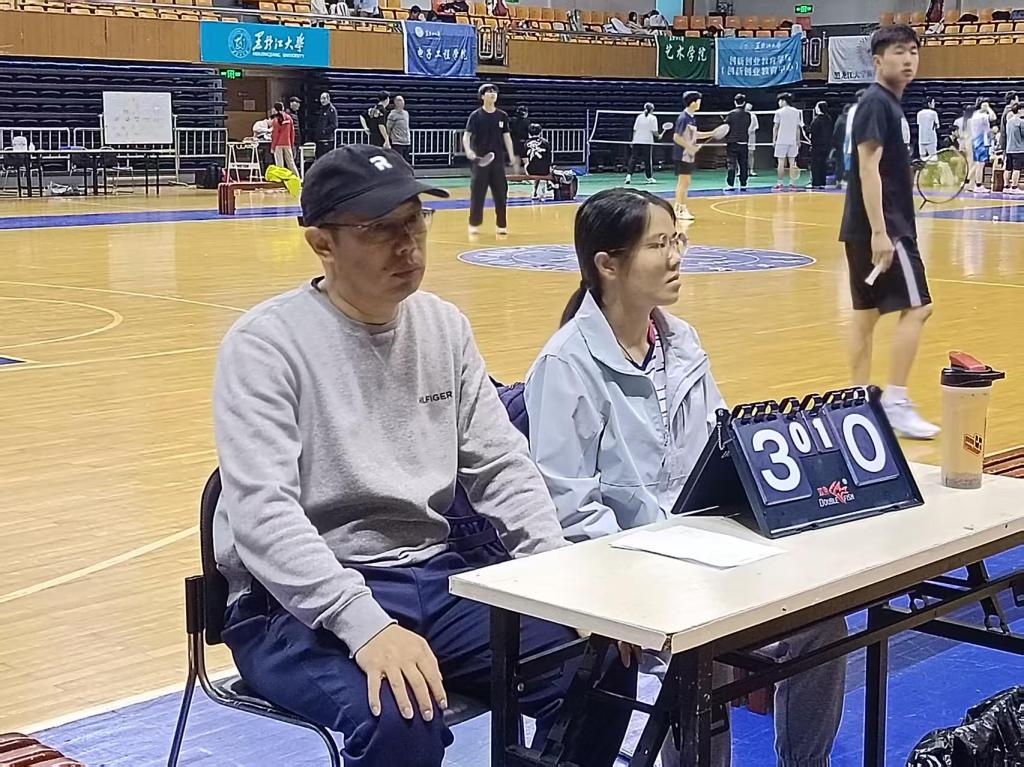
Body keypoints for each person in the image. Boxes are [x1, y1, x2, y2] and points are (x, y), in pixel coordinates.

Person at [213, 144, 636, 767]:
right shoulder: (264, 347)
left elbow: (501, 465)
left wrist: (558, 580)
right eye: (379, 229)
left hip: (433, 577)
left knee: (601, 664)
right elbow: (262, 514)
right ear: (321, 243)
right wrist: (365, 625)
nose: (407, 245)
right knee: (400, 720)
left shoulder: (443, 326)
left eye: (415, 222)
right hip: (292, 604)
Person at [524, 187, 849, 767]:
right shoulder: (564, 365)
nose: (676, 257)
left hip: (708, 558)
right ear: (608, 264)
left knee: (822, 621)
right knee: (702, 656)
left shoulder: (684, 343)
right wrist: (644, 576)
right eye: (659, 245)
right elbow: (567, 507)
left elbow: (722, 453)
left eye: (678, 240)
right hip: (633, 575)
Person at [840, 24, 939, 439]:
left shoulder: (886, 106)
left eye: (913, 51)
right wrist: (881, 232)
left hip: (861, 227)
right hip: (886, 228)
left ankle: (856, 405)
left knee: (865, 318)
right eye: (899, 51)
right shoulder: (877, 103)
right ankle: (895, 402)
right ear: (878, 60)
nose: (908, 59)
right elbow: (868, 168)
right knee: (918, 307)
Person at [463, 83, 517, 236]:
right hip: (480, 161)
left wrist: (511, 155)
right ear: (482, 96)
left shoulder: (502, 116)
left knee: (501, 194)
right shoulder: (475, 116)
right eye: (489, 92)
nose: (492, 94)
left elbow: (507, 137)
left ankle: (501, 225)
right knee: (478, 194)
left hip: (498, 162)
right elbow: (466, 136)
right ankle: (474, 223)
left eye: (494, 92)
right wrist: (468, 151)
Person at [672, 90, 716, 221]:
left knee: (685, 182)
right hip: (682, 155)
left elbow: (695, 135)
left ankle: (678, 208)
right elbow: (676, 137)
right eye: (698, 101)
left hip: (688, 155)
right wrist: (689, 147)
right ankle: (680, 210)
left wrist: (711, 133)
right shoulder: (684, 118)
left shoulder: (691, 118)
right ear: (692, 103)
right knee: (684, 182)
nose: (700, 103)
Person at [773, 92, 805, 191]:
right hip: (792, 140)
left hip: (781, 140)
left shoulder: (778, 112)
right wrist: (798, 140)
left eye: (779, 101)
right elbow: (798, 128)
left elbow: (776, 127)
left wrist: (774, 139)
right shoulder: (796, 112)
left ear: (783, 101)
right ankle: (792, 183)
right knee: (792, 162)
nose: (779, 103)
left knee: (781, 162)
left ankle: (780, 183)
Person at [723, 93, 752, 192]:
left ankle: (730, 184)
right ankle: (743, 184)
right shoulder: (748, 115)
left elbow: (726, 127)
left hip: (732, 142)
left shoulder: (731, 114)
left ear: (735, 102)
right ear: (744, 102)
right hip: (744, 142)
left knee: (732, 163)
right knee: (743, 164)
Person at [626, 102, 659, 185]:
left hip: (637, 140)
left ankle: (628, 176)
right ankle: (649, 178)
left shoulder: (639, 117)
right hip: (647, 142)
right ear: (652, 109)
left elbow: (634, 130)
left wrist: (633, 140)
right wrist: (659, 136)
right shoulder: (653, 118)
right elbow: (654, 131)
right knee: (647, 160)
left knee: (633, 159)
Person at [969, 99, 997, 192]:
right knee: (981, 164)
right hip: (981, 141)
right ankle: (978, 185)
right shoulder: (982, 115)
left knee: (977, 164)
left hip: (976, 140)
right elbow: (993, 117)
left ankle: (968, 182)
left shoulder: (975, 114)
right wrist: (988, 108)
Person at [808, 100, 833, 189]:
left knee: (815, 164)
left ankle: (816, 183)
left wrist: (803, 127)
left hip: (817, 146)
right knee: (823, 164)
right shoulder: (829, 119)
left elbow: (812, 132)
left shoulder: (816, 120)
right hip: (826, 146)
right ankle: (823, 182)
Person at [524, 122, 551, 200]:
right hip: (545, 170)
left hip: (531, 170)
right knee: (543, 166)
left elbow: (526, 157)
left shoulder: (526, 143)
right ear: (540, 132)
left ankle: (534, 190)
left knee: (527, 165)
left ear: (529, 133)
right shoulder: (546, 142)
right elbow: (549, 157)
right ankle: (542, 190)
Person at [270, 101, 299, 175]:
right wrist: (292, 144)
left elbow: (275, 135)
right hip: (287, 143)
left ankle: (282, 179)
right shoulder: (289, 118)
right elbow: (292, 132)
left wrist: (273, 147)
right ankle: (297, 177)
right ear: (283, 108)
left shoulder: (275, 120)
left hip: (278, 144)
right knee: (291, 163)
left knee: (279, 165)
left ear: (275, 109)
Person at [1004, 102, 1024, 194]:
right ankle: (1014, 187)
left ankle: (1006, 186)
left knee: (1008, 168)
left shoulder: (1009, 122)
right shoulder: (1021, 122)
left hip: (1009, 148)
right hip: (1018, 149)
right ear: (1020, 110)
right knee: (1017, 169)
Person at [387, 95, 412, 164]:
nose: (402, 102)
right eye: (400, 100)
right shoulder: (392, 114)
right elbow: (388, 128)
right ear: (395, 102)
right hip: (397, 143)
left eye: (402, 100)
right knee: (398, 162)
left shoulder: (406, 113)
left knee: (406, 162)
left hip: (406, 142)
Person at [315, 92, 338, 160]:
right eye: (321, 98)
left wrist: (324, 131)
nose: (322, 100)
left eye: (324, 98)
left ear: (328, 99)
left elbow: (334, 125)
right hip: (319, 140)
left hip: (328, 140)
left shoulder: (332, 110)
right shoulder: (321, 109)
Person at [832, 103, 850, 187]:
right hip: (842, 144)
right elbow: (836, 133)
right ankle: (840, 179)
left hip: (843, 144)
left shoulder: (842, 119)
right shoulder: (843, 120)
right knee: (842, 163)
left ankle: (840, 179)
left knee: (842, 162)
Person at [510, 105, 531, 175]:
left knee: (516, 160)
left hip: (515, 143)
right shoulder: (527, 122)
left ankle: (516, 175)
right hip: (524, 143)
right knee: (526, 160)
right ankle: (529, 175)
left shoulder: (512, 121)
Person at [746, 102, 759, 176]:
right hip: (742, 136)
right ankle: (740, 170)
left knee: (751, 153)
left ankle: (751, 170)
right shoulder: (741, 115)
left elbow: (756, 127)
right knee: (740, 154)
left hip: (751, 137)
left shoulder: (753, 116)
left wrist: (750, 131)